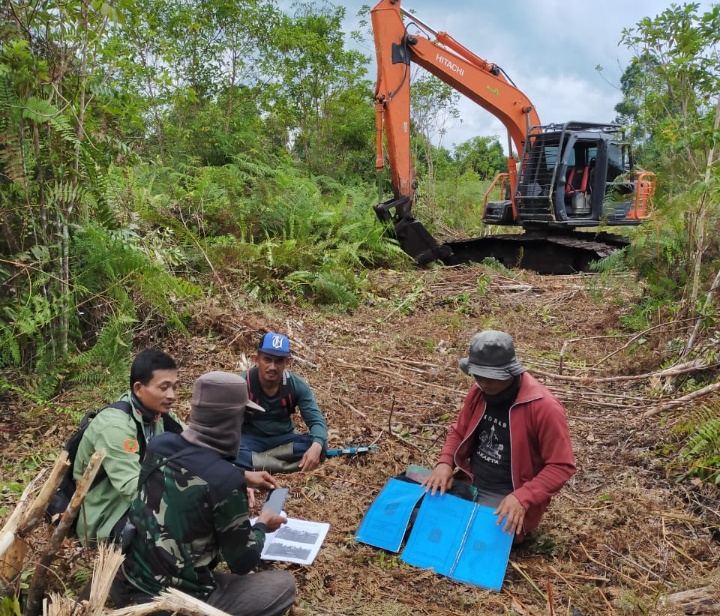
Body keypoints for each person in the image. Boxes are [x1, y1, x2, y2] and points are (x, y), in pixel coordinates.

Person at [112, 371, 296, 616]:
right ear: (233, 419)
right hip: (175, 602)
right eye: (244, 415)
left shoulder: (160, 445)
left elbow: (192, 466)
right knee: (283, 586)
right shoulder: (225, 482)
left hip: (128, 584)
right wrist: (262, 524)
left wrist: (239, 475)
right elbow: (242, 562)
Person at [421, 330, 576, 543]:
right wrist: (445, 463)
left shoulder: (544, 408)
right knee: (418, 510)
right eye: (478, 375)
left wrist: (523, 498)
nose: (483, 383)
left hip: (508, 494)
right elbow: (459, 431)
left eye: (491, 378)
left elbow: (561, 466)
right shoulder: (478, 393)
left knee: (468, 537)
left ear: (510, 372)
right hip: (471, 480)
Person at [73, 348, 184, 545]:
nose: (172, 395)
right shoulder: (115, 426)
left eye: (175, 387)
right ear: (138, 389)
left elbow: (193, 443)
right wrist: (187, 499)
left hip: (137, 497)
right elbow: (132, 487)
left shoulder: (158, 414)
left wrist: (235, 476)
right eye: (164, 387)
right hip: (104, 512)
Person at [234, 332, 327, 473]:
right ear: (256, 359)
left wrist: (317, 446)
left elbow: (316, 421)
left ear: (287, 362)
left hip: (283, 440)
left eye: (278, 361)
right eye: (267, 360)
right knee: (230, 449)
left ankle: (256, 461)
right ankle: (283, 465)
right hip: (251, 439)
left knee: (320, 444)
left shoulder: (295, 385)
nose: (272, 367)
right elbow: (223, 424)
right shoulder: (241, 384)